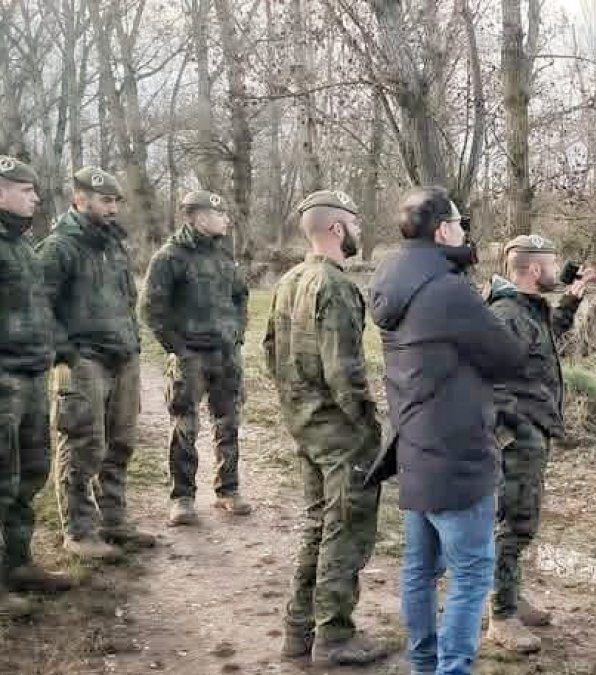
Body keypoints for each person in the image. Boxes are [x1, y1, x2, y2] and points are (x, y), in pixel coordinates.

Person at [365, 186, 525, 675]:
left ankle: (423, 665)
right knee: (473, 574)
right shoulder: (448, 290)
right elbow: (508, 359)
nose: (465, 231)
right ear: (442, 230)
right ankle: (451, 670)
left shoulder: (389, 277)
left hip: (414, 448)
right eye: (460, 223)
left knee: (418, 571)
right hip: (458, 458)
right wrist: (503, 302)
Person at [263, 190, 388, 667]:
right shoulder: (334, 285)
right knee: (345, 528)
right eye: (355, 223)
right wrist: (368, 426)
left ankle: (298, 630)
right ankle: (333, 636)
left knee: (318, 524)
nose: (360, 231)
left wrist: (297, 408)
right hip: (338, 432)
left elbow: (271, 353)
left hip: (305, 424)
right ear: (337, 228)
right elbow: (345, 372)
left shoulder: (290, 279)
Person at [483, 235, 596, 653]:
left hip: (533, 429)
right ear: (533, 270)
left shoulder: (527, 310)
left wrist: (572, 300)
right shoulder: (505, 315)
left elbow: (547, 337)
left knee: (520, 520)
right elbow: (484, 379)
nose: (557, 268)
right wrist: (514, 430)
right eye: (552, 263)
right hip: (518, 435)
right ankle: (501, 615)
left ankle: (508, 595)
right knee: (514, 522)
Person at [37, 167, 155, 561]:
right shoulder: (59, 247)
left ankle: (114, 520)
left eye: (116, 201)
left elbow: (126, 299)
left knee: (121, 442)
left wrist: (133, 344)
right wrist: (65, 352)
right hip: (84, 359)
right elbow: (39, 307)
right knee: (84, 443)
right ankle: (80, 530)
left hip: (122, 357)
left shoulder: (113, 244)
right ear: (80, 198)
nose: (113, 207)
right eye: (105, 200)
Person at [140, 191, 251, 526]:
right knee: (185, 427)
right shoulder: (170, 257)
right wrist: (177, 346)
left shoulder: (222, 255)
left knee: (229, 423)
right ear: (199, 218)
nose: (226, 220)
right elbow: (150, 308)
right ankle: (182, 498)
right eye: (220, 214)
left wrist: (237, 334)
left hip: (226, 355)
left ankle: (228, 491)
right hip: (190, 358)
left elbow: (240, 296)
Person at [0, 156, 74, 617]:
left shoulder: (23, 245)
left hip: (31, 375)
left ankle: (18, 562)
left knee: (29, 473)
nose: (36, 198)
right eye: (25, 190)